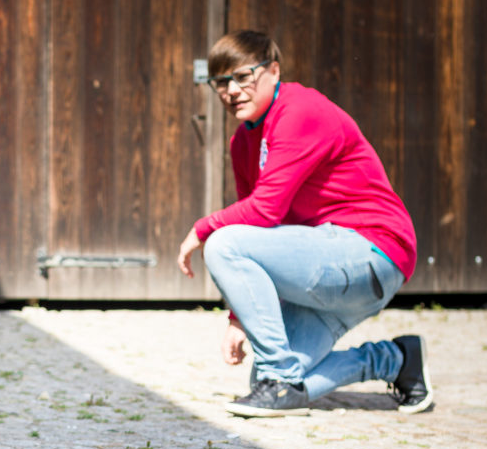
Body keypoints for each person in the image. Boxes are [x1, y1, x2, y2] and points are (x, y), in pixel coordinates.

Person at [177, 30, 432, 418]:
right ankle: (395, 360)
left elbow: (265, 212)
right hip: (329, 266)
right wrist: (238, 318)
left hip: (370, 250)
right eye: (221, 82)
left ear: (273, 71)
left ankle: (280, 379)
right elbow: (260, 228)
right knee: (274, 382)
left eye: (243, 77)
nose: (232, 90)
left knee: (222, 243)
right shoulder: (242, 142)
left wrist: (201, 229)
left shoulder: (300, 110)